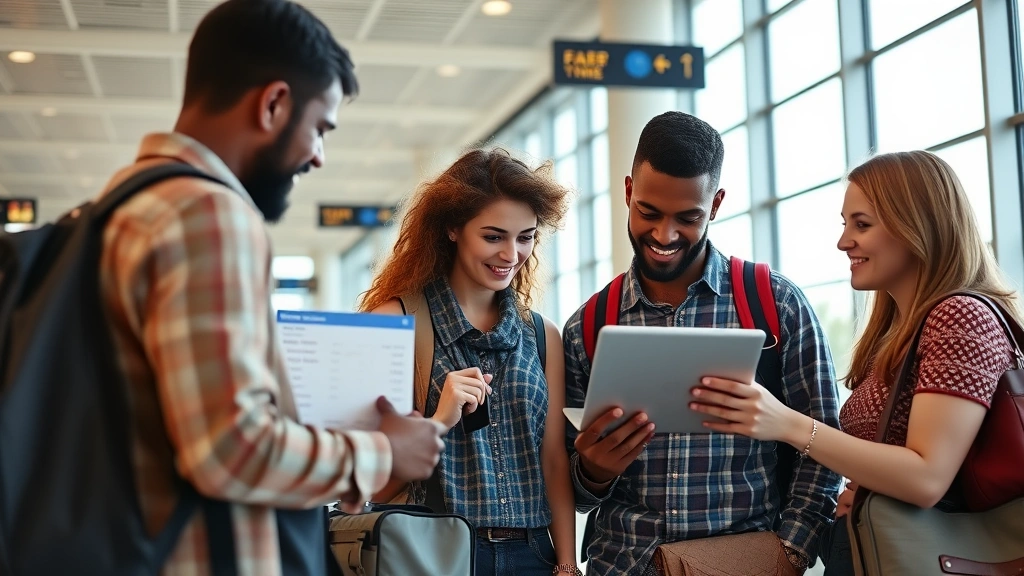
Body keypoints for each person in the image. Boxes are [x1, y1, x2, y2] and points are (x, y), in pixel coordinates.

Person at [97, 0, 445, 573]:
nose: (317, 155)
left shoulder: (119, 209)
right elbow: (229, 449)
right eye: (319, 127)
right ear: (274, 103)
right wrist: (383, 452)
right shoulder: (208, 214)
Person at [689, 150, 1021, 575]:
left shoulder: (959, 316)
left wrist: (786, 423)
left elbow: (926, 479)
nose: (844, 241)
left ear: (916, 226)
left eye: (861, 225)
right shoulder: (901, 330)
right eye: (845, 224)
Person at [562, 111, 843, 576]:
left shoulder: (775, 305)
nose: (664, 235)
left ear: (715, 204)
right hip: (622, 564)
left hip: (745, 565)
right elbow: (569, 486)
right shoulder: (588, 326)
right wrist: (593, 470)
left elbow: (825, 445)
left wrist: (789, 554)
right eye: (648, 213)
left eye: (687, 217)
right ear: (629, 192)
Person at [359, 148, 582, 576]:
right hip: (432, 551)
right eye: (493, 236)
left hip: (533, 555)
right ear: (452, 229)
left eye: (526, 237)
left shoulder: (543, 335)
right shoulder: (392, 322)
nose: (511, 254)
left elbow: (552, 459)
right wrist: (437, 422)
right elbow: (370, 474)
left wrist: (568, 565)